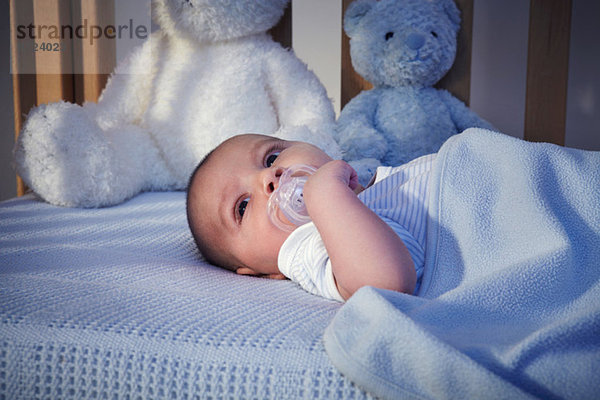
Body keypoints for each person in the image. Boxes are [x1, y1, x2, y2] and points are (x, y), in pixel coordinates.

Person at [186, 134, 433, 301]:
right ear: (257, 271)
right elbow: (388, 283)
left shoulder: (370, 181)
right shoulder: (307, 247)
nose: (269, 177)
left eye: (270, 158)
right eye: (243, 207)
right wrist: (325, 193)